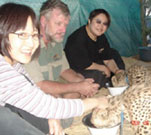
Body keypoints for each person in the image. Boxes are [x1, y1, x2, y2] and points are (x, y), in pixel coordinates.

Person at [0, 3, 108, 135]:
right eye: (22, 34)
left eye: (34, 35)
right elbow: (39, 87)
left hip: (39, 96)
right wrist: (95, 101)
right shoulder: (4, 68)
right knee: (5, 116)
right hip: (37, 95)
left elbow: (38, 87)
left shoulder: (15, 64)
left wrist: (81, 83)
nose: (30, 43)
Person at [23, 0, 99, 98]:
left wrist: (82, 82)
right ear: (43, 21)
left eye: (65, 25)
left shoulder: (55, 41)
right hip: (33, 94)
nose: (63, 30)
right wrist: (77, 87)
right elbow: (39, 85)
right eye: (58, 24)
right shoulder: (29, 45)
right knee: (57, 96)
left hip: (53, 90)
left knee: (80, 84)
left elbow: (64, 70)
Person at [64, 9, 125, 88]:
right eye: (98, 22)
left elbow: (108, 58)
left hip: (93, 61)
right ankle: (109, 82)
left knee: (114, 53)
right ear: (89, 21)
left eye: (105, 24)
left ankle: (120, 78)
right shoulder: (77, 38)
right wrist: (103, 68)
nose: (101, 26)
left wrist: (117, 71)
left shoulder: (101, 37)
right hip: (78, 67)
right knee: (97, 75)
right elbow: (84, 64)